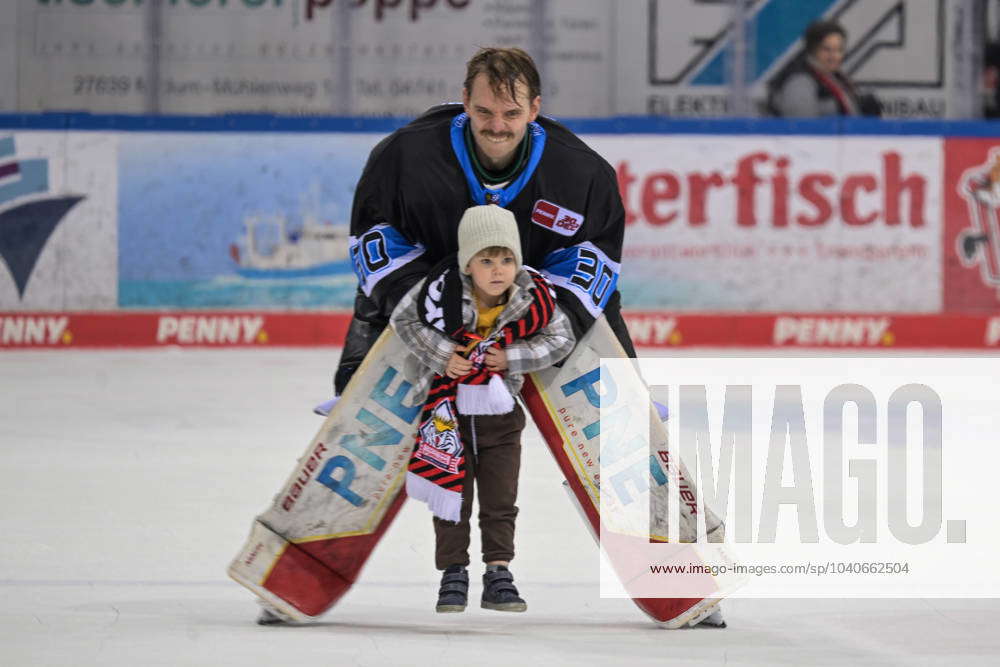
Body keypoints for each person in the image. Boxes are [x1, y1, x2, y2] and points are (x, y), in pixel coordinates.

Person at [328, 46, 634, 407]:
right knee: (379, 293)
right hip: (434, 281)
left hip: (529, 290)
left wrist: (555, 325)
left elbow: (596, 257)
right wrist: (421, 311)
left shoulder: (583, 175)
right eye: (484, 111)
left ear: (535, 109)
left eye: (512, 113)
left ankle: (624, 393)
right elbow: (374, 238)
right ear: (465, 102)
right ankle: (358, 386)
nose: (497, 126)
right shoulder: (404, 156)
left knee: (597, 302)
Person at [390, 204, 575, 613]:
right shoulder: (440, 293)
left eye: (507, 259)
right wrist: (443, 354)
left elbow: (561, 339)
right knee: (451, 495)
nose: (498, 269)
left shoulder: (534, 298)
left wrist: (513, 356)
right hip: (447, 414)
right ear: (467, 264)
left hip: (501, 416)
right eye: (486, 260)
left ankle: (498, 572)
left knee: (500, 498)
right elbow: (404, 322)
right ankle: (453, 572)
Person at [769, 20, 881, 118]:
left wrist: (861, 109)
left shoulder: (836, 77)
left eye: (839, 50)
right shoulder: (799, 81)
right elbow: (802, 129)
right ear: (812, 50)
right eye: (827, 49)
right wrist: (835, 110)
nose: (834, 56)